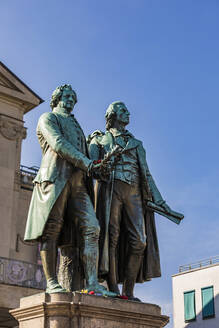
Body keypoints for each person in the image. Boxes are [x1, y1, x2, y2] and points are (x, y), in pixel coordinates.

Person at [24, 84, 116, 296]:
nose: (71, 100)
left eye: (74, 97)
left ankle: (92, 283)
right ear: (56, 99)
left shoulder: (76, 124)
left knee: (92, 228)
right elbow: (58, 144)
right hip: (54, 178)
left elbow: (82, 151)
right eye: (67, 96)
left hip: (77, 182)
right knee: (52, 230)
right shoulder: (47, 118)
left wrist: (92, 146)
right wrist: (88, 163)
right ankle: (51, 282)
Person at [88, 101, 173, 301]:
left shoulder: (137, 144)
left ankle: (128, 290)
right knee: (111, 238)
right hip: (111, 189)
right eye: (123, 111)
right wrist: (106, 162)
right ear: (112, 115)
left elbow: (147, 175)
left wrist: (160, 200)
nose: (128, 113)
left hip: (134, 192)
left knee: (139, 241)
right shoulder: (100, 140)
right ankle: (114, 289)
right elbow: (92, 168)